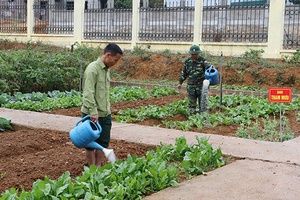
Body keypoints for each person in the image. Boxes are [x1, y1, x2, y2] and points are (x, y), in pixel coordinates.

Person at [81, 43, 123, 167]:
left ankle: (98, 167)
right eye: (115, 60)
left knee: (103, 143)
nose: (115, 63)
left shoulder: (106, 70)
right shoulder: (92, 69)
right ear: (108, 55)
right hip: (92, 114)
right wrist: (93, 111)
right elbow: (88, 92)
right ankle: (92, 168)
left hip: (105, 114)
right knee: (90, 144)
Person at [177, 45, 211, 115]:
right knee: (191, 105)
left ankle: (203, 118)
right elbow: (184, 73)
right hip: (191, 87)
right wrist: (180, 82)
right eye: (193, 54)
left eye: (196, 54)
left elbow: (210, 70)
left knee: (203, 104)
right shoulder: (187, 62)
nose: (194, 56)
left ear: (198, 54)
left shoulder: (203, 61)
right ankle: (192, 118)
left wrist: (210, 82)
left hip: (201, 87)